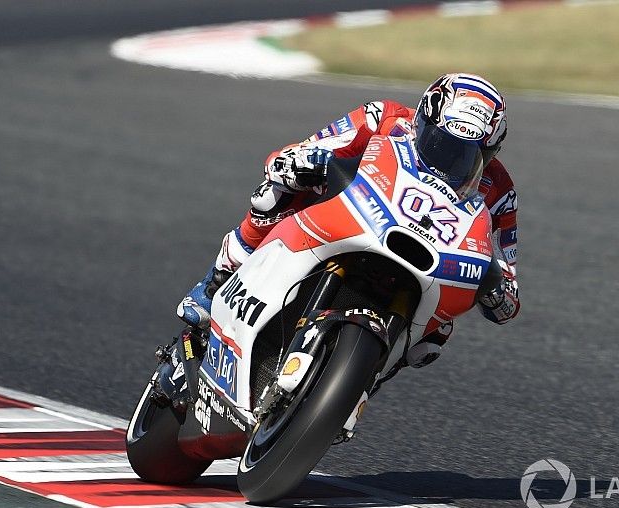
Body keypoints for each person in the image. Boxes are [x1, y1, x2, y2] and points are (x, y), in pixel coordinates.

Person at [176, 73, 520, 368]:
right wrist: (301, 162)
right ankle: (216, 280)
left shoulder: (500, 191)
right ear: (422, 122)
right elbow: (301, 151)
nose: (450, 160)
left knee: (432, 342)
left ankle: (361, 381)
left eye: (469, 155)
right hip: (345, 214)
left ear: (490, 154)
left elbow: (507, 284)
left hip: (421, 260)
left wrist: (496, 292)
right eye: (442, 144)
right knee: (273, 193)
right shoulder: (384, 118)